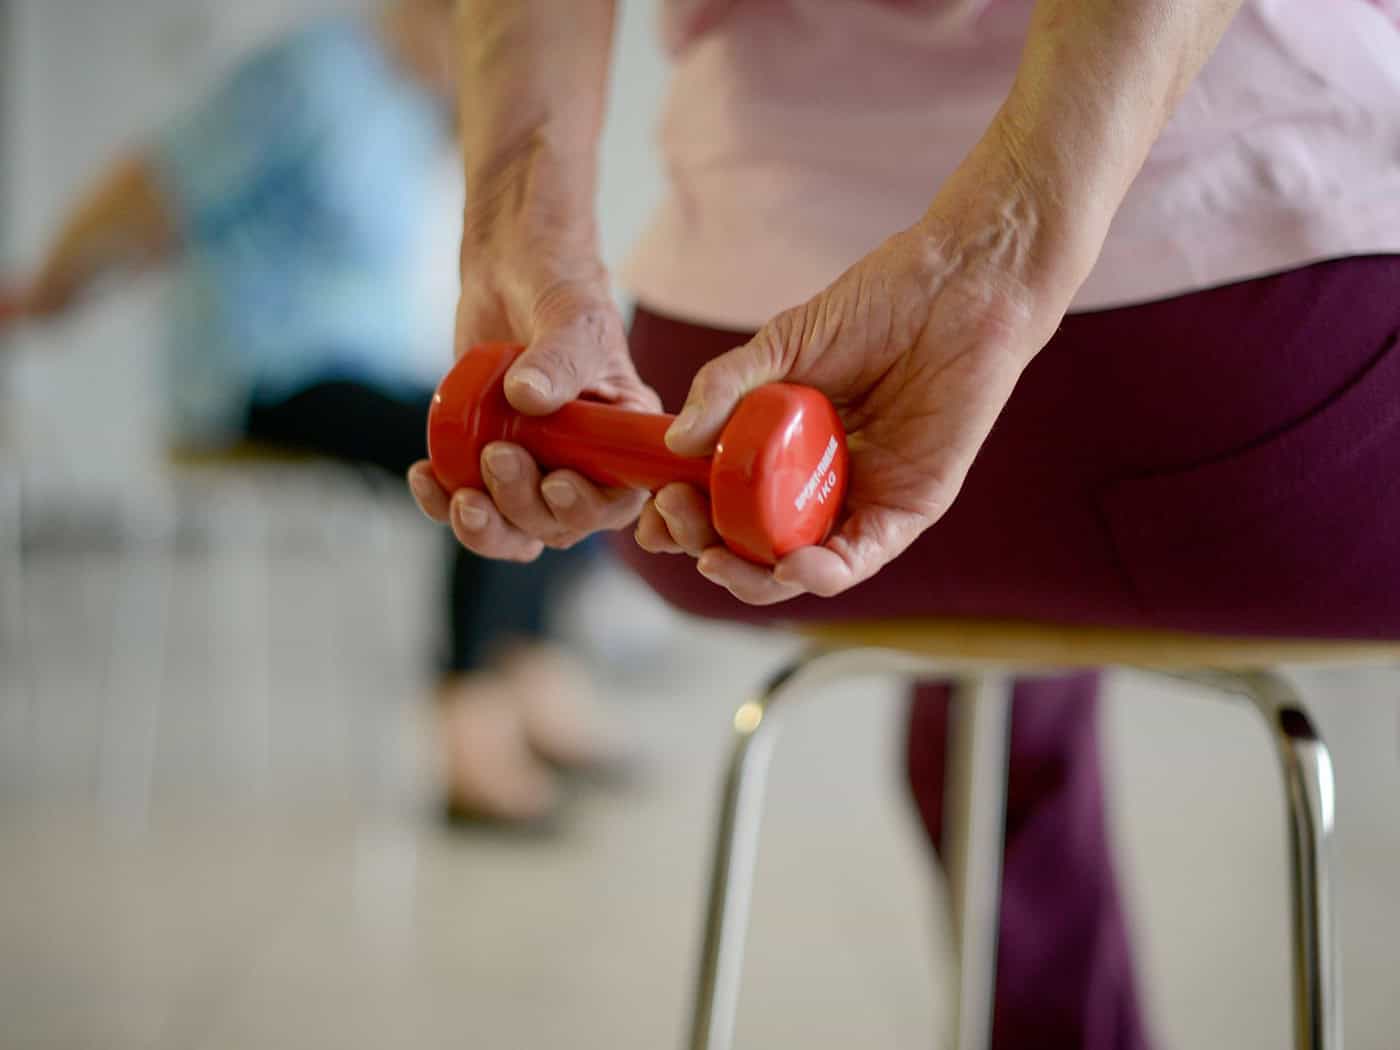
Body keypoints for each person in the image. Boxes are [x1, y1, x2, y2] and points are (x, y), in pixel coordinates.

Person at [411, 0, 1400, 1044]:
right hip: (1251, 372)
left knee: (1010, 651)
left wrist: (523, 235)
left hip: (717, 373)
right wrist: (994, 264)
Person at [0, 0, 616, 827]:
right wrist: (51, 287)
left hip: (361, 369)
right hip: (263, 377)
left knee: (563, 438)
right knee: (486, 454)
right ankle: (467, 735)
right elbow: (151, 185)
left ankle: (530, 676)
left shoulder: (416, 104)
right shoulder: (309, 74)